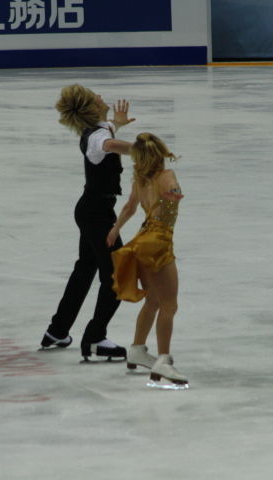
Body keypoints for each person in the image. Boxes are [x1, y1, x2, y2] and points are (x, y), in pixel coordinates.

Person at [41, 84, 135, 362]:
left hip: (93, 209)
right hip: (96, 214)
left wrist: (117, 124)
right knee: (117, 275)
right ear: (93, 107)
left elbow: (108, 133)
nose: (102, 97)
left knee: (85, 269)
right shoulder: (97, 137)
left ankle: (57, 330)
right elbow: (110, 145)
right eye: (97, 97)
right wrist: (146, 149)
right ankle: (95, 338)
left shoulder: (98, 129)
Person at [106, 133, 188, 386]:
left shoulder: (139, 182)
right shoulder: (166, 175)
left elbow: (129, 208)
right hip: (158, 243)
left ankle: (137, 350)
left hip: (141, 242)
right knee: (169, 305)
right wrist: (174, 192)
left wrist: (116, 229)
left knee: (152, 300)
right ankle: (164, 360)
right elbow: (172, 188)